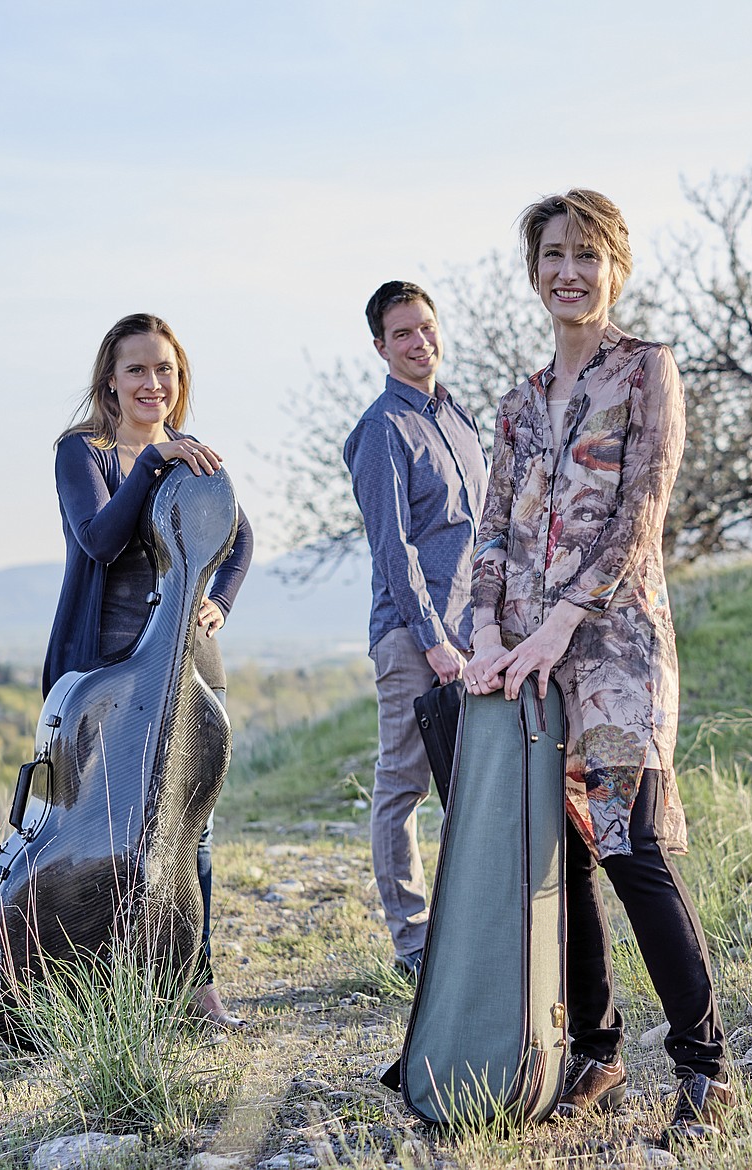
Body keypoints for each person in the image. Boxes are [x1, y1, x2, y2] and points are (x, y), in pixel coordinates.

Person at [463, 190, 731, 1143]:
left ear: (614, 265)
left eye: (584, 254)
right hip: (526, 662)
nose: (566, 272)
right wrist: (490, 634)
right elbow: (491, 528)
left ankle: (707, 1067)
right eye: (551, 256)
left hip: (613, 651)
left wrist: (561, 625)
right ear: (533, 272)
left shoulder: (646, 371)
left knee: (632, 852)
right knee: (561, 860)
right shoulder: (516, 403)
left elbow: (639, 515)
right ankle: (597, 1053)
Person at [44, 312, 254, 1026]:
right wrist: (154, 462)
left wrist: (219, 600)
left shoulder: (190, 457)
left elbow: (241, 533)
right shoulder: (85, 452)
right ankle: (104, 989)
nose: (152, 382)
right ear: (109, 377)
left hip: (191, 669)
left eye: (165, 369)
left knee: (192, 832)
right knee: (105, 835)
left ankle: (199, 992)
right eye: (136, 368)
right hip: (108, 674)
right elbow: (101, 541)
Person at [343, 282, 488, 981]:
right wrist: (432, 638)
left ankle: (472, 924)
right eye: (402, 333)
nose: (418, 341)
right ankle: (412, 941)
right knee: (403, 787)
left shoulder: (457, 417)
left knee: (475, 781)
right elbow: (392, 549)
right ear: (381, 346)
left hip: (473, 634)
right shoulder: (381, 431)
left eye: (426, 327)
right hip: (412, 636)